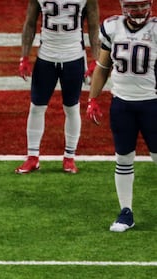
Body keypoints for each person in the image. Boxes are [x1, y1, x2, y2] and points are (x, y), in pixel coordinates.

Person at [87, 0, 157, 232]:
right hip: (122, 104)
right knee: (123, 158)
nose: (138, 11)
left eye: (142, 5)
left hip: (152, 103)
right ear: (124, 7)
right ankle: (126, 211)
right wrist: (93, 98)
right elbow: (103, 65)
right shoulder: (112, 27)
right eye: (133, 6)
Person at [15, 0, 100, 175]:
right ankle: (32, 157)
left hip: (73, 56)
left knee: (71, 107)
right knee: (37, 106)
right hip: (46, 56)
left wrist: (95, 58)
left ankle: (69, 157)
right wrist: (23, 56)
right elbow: (30, 22)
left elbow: (93, 25)